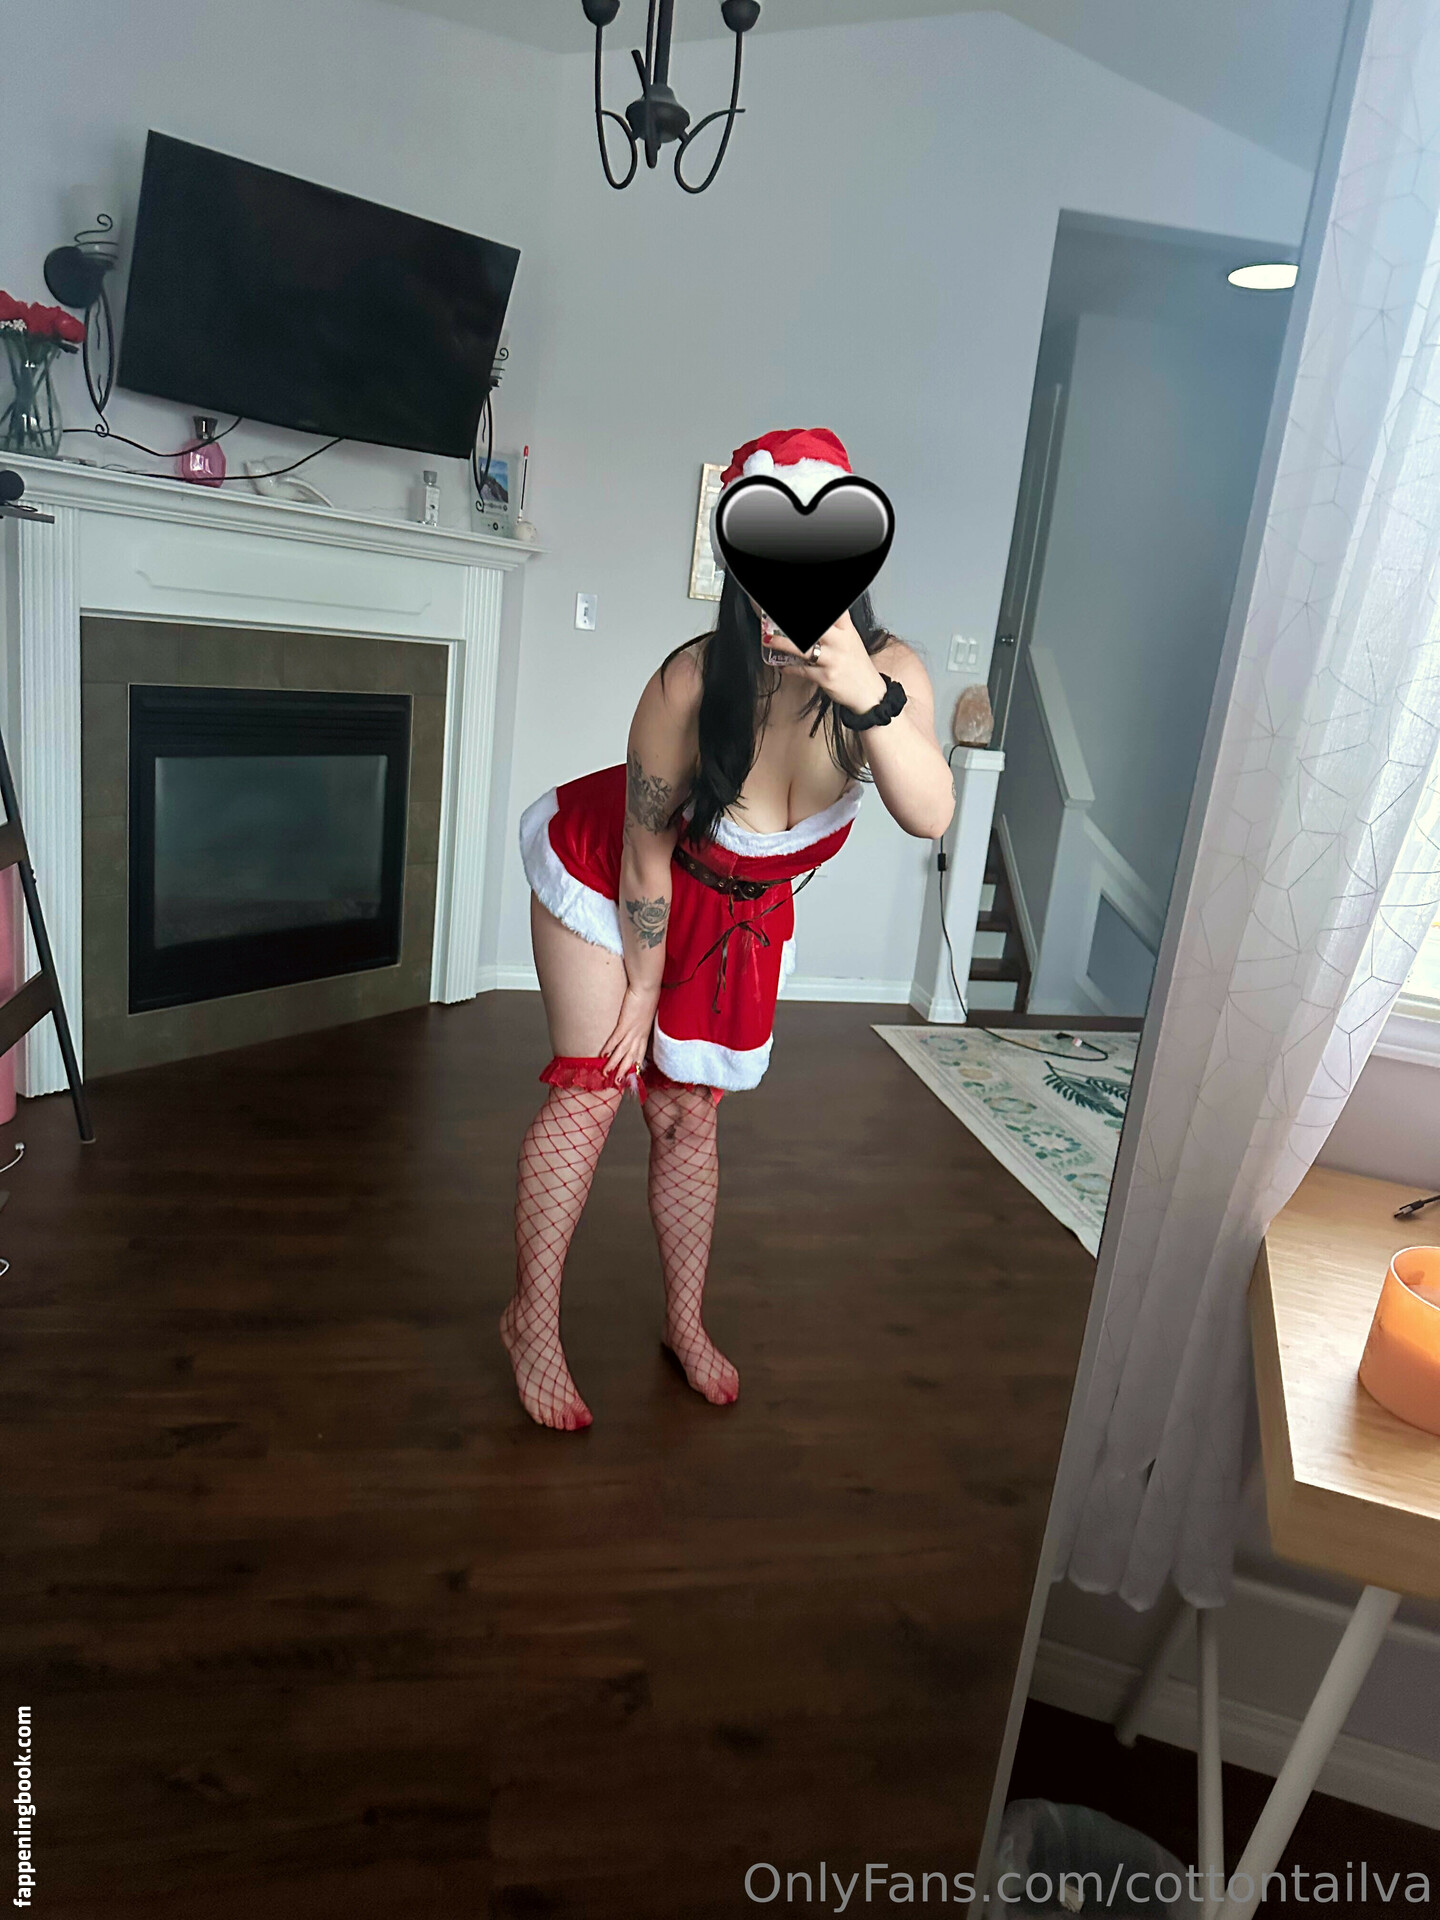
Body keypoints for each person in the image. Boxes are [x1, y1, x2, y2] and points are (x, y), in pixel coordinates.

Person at [501, 427, 956, 1430]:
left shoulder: (891, 674)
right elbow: (642, 853)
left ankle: (685, 1323)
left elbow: (931, 813)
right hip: (614, 872)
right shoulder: (692, 681)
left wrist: (863, 694)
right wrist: (639, 989)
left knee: (688, 1117)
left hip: (734, 914)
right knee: (594, 1090)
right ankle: (530, 1322)